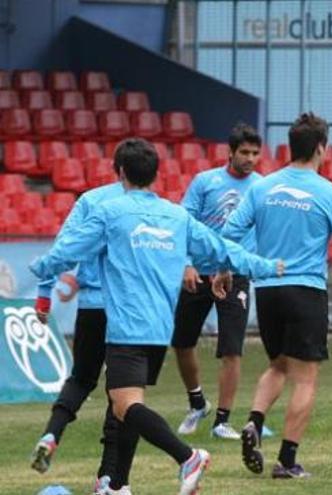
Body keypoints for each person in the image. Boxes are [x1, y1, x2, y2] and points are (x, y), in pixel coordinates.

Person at [29, 138, 282, 494]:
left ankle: (186, 457)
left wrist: (41, 270)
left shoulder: (108, 210)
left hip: (125, 326)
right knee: (125, 406)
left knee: (121, 402)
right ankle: (115, 484)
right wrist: (266, 266)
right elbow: (221, 248)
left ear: (120, 172)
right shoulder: (176, 215)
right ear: (156, 175)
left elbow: (67, 249)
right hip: (160, 328)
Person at [222, 113, 332, 479]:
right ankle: (287, 461)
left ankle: (253, 421)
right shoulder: (330, 192)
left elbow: (230, 230)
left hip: (266, 289)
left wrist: (225, 268)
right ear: (321, 148)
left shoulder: (262, 187)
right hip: (305, 290)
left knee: (279, 365)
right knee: (305, 377)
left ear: (289, 147)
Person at [29, 159, 126, 493]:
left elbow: (63, 248)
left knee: (81, 378)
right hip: (127, 310)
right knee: (122, 391)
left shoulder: (91, 201)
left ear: (118, 168)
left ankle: (51, 434)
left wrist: (44, 296)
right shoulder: (149, 207)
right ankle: (107, 478)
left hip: (91, 309)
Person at [172, 123, 264, 440]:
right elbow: (182, 223)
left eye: (255, 153)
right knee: (182, 343)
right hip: (199, 271)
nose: (250, 158)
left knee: (232, 349)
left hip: (235, 275)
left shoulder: (261, 187)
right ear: (231, 152)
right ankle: (197, 402)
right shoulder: (205, 182)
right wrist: (185, 264)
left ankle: (222, 422)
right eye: (245, 152)